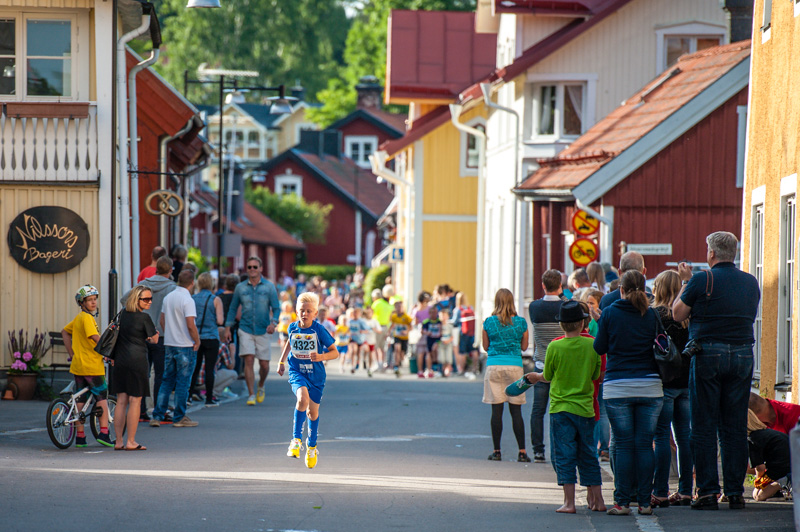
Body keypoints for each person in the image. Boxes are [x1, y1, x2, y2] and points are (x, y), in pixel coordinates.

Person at [673, 231, 761, 511]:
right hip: (743, 354)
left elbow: (677, 314)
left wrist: (685, 282)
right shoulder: (750, 281)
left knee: (703, 424)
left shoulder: (701, 279)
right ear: (733, 253)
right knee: (734, 425)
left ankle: (708, 491)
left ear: (711, 253)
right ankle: (735, 492)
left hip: (709, 352)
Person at [593, 270, 662, 516]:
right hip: (650, 386)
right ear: (644, 289)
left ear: (620, 289)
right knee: (645, 445)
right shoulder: (652, 314)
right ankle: (645, 502)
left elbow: (599, 347)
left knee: (622, 445)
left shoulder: (610, 313)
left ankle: (622, 502)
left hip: (618, 385)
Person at [544, 301, 604, 513]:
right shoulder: (593, 345)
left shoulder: (554, 346)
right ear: (582, 322)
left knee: (565, 454)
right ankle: (599, 500)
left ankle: (569, 502)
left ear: (562, 325)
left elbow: (548, 375)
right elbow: (596, 375)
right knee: (589, 454)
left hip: (561, 408)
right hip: (586, 408)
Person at [277, 292, 338, 469]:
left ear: (315, 313)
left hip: (316, 375)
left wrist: (321, 356)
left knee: (312, 413)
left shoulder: (319, 330)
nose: (305, 314)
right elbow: (289, 342)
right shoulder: (292, 327)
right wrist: (282, 361)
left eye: (309, 311)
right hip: (297, 371)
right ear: (297, 311)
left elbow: (335, 352)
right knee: (302, 399)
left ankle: (312, 446)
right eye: (302, 310)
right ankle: (296, 440)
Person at [650, 270, 693, 507]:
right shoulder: (688, 315)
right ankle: (686, 490)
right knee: (684, 437)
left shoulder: (656, 315)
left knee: (662, 437)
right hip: (686, 381)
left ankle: (661, 491)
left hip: (664, 382)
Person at [121, 256, 176, 421]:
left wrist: (137, 313)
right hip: (161, 336)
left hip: (140, 335)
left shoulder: (142, 285)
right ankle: (160, 410)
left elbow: (124, 300)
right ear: (171, 270)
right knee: (161, 374)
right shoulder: (172, 288)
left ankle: (141, 411)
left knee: (143, 373)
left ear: (156, 268)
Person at [482, 288, 530, 463]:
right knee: (516, 410)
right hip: (515, 367)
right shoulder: (521, 323)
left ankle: (497, 451)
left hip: (494, 366)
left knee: (497, 410)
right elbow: (525, 347)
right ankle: (522, 452)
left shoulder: (488, 322)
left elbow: (485, 347)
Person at [224, 257, 280, 406]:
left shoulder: (269, 287)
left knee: (264, 365)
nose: (252, 270)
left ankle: (261, 385)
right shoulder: (240, 288)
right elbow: (233, 308)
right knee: (248, 359)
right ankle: (251, 394)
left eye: (255, 267)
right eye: (249, 267)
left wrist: (274, 323)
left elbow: (276, 308)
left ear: (261, 269)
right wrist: (228, 327)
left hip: (263, 329)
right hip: (245, 328)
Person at [62, 285, 112, 448]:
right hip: (92, 366)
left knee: (80, 399)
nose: (93, 303)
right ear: (81, 303)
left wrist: (72, 354)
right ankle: (104, 433)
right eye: (89, 300)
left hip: (78, 366)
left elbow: (64, 331)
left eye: (94, 299)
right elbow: (95, 337)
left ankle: (81, 437)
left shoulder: (78, 319)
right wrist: (110, 351)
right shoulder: (87, 318)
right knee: (102, 398)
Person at [151, 269, 200, 428]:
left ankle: (157, 415)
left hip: (170, 343)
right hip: (185, 345)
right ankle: (179, 417)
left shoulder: (169, 297)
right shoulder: (188, 300)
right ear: (192, 283)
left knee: (166, 380)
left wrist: (169, 333)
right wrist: (196, 340)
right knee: (182, 382)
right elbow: (190, 325)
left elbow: (162, 320)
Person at [111, 285, 158, 450]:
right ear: (136, 299)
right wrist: (153, 334)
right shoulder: (144, 318)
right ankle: (131, 441)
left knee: (121, 401)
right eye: (146, 299)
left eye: (150, 298)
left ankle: (118, 441)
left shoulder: (122, 315)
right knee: (135, 400)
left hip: (120, 361)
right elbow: (154, 339)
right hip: (137, 361)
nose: (149, 302)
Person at [528, 269, 567, 463]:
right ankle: (559, 447)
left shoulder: (534, 307)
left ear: (543, 285)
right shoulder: (567, 306)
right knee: (560, 408)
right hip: (562, 366)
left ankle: (538, 450)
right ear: (560, 285)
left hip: (541, 363)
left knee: (538, 410)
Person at [190, 273, 225, 407]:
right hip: (211, 337)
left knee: (195, 367)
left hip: (196, 337)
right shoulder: (215, 299)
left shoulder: (193, 298)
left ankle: (189, 396)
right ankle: (209, 398)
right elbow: (220, 320)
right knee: (209, 369)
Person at [453, 292, 479, 379]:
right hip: (472, 332)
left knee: (462, 352)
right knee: (474, 350)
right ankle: (475, 368)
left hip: (463, 333)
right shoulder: (470, 307)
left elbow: (455, 322)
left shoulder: (458, 309)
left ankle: (461, 369)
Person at [371, 286, 394, 364]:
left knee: (376, 346)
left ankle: (377, 363)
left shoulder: (376, 303)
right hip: (386, 327)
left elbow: (371, 314)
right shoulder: (387, 304)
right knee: (382, 347)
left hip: (377, 327)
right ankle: (382, 362)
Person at [390, 300, 412, 376]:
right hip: (397, 336)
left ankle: (400, 362)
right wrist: (389, 333)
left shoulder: (406, 317)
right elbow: (392, 325)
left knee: (402, 354)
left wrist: (406, 331)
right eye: (397, 307)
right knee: (397, 348)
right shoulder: (394, 317)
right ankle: (396, 365)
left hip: (404, 338)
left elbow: (410, 327)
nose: (399, 308)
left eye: (401, 307)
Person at [421, 309, 443, 378]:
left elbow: (441, 331)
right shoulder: (426, 322)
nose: (434, 314)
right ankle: (429, 369)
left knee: (434, 349)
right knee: (429, 354)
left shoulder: (439, 322)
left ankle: (435, 368)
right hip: (429, 340)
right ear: (430, 313)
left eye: (435, 313)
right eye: (432, 313)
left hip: (437, 340)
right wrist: (427, 333)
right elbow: (422, 331)